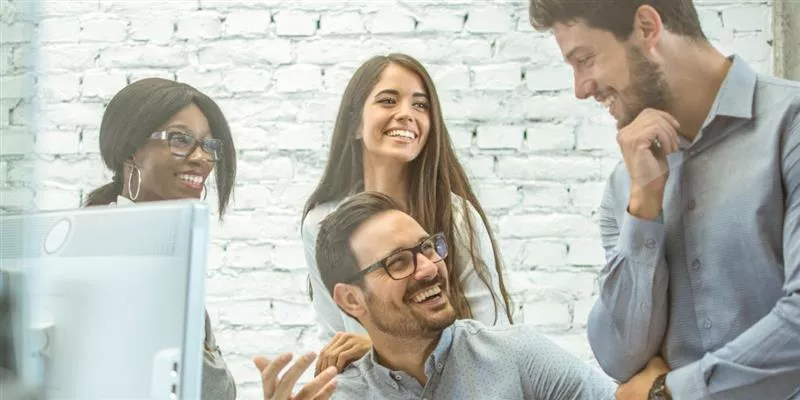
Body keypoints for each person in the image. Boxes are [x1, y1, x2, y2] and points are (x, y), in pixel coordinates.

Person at [528, 1, 800, 399]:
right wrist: (644, 205)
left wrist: (670, 393)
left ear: (647, 26)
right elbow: (620, 358)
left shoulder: (790, 127)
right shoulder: (626, 182)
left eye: (585, 59)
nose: (581, 88)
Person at [83, 78, 338, 400]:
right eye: (180, 139)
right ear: (130, 148)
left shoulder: (165, 258)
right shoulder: (107, 257)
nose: (202, 157)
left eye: (209, 145)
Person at [301, 53, 514, 376]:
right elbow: (335, 336)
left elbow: (495, 338)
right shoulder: (320, 224)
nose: (406, 114)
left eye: (420, 105)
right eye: (388, 101)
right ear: (355, 123)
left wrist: (378, 351)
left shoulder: (456, 216)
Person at [312, 191, 616, 399]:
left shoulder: (518, 356)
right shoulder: (339, 396)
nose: (430, 268)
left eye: (428, 247)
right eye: (398, 262)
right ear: (351, 300)